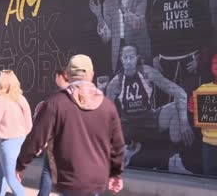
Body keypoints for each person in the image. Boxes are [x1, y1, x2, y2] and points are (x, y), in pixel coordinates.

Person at [17, 54, 125, 196]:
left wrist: (20, 165)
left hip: (69, 180)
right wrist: (116, 173)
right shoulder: (107, 106)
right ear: (92, 75)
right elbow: (117, 145)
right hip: (97, 180)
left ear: (67, 74)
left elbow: (37, 138)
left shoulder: (55, 104)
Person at [106, 44, 194, 173]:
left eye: (132, 57)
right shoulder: (115, 83)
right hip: (129, 124)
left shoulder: (147, 72)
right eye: (126, 58)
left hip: (149, 119)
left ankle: (175, 158)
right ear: (121, 59)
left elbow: (180, 93)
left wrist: (184, 122)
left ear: (137, 58)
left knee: (176, 108)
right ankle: (123, 151)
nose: (129, 61)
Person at [150, 0, 212, 98]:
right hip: (166, 64)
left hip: (190, 62)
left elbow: (206, 29)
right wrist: (154, 56)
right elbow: (153, 31)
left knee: (191, 105)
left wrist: (200, 58)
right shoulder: (159, 1)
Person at [89, 0, 151, 73]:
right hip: (118, 50)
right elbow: (106, 38)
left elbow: (138, 24)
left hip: (138, 47)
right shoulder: (108, 2)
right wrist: (99, 16)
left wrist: (121, 6)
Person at [34, 69, 69, 196]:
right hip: (69, 142)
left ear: (60, 77)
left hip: (54, 140)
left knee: (48, 171)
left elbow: (46, 122)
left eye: (56, 76)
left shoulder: (55, 98)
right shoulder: (77, 96)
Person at [188, 52, 217, 176]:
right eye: (215, 63)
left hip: (208, 145)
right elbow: (191, 108)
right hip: (209, 145)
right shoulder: (203, 89)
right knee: (209, 179)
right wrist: (193, 106)